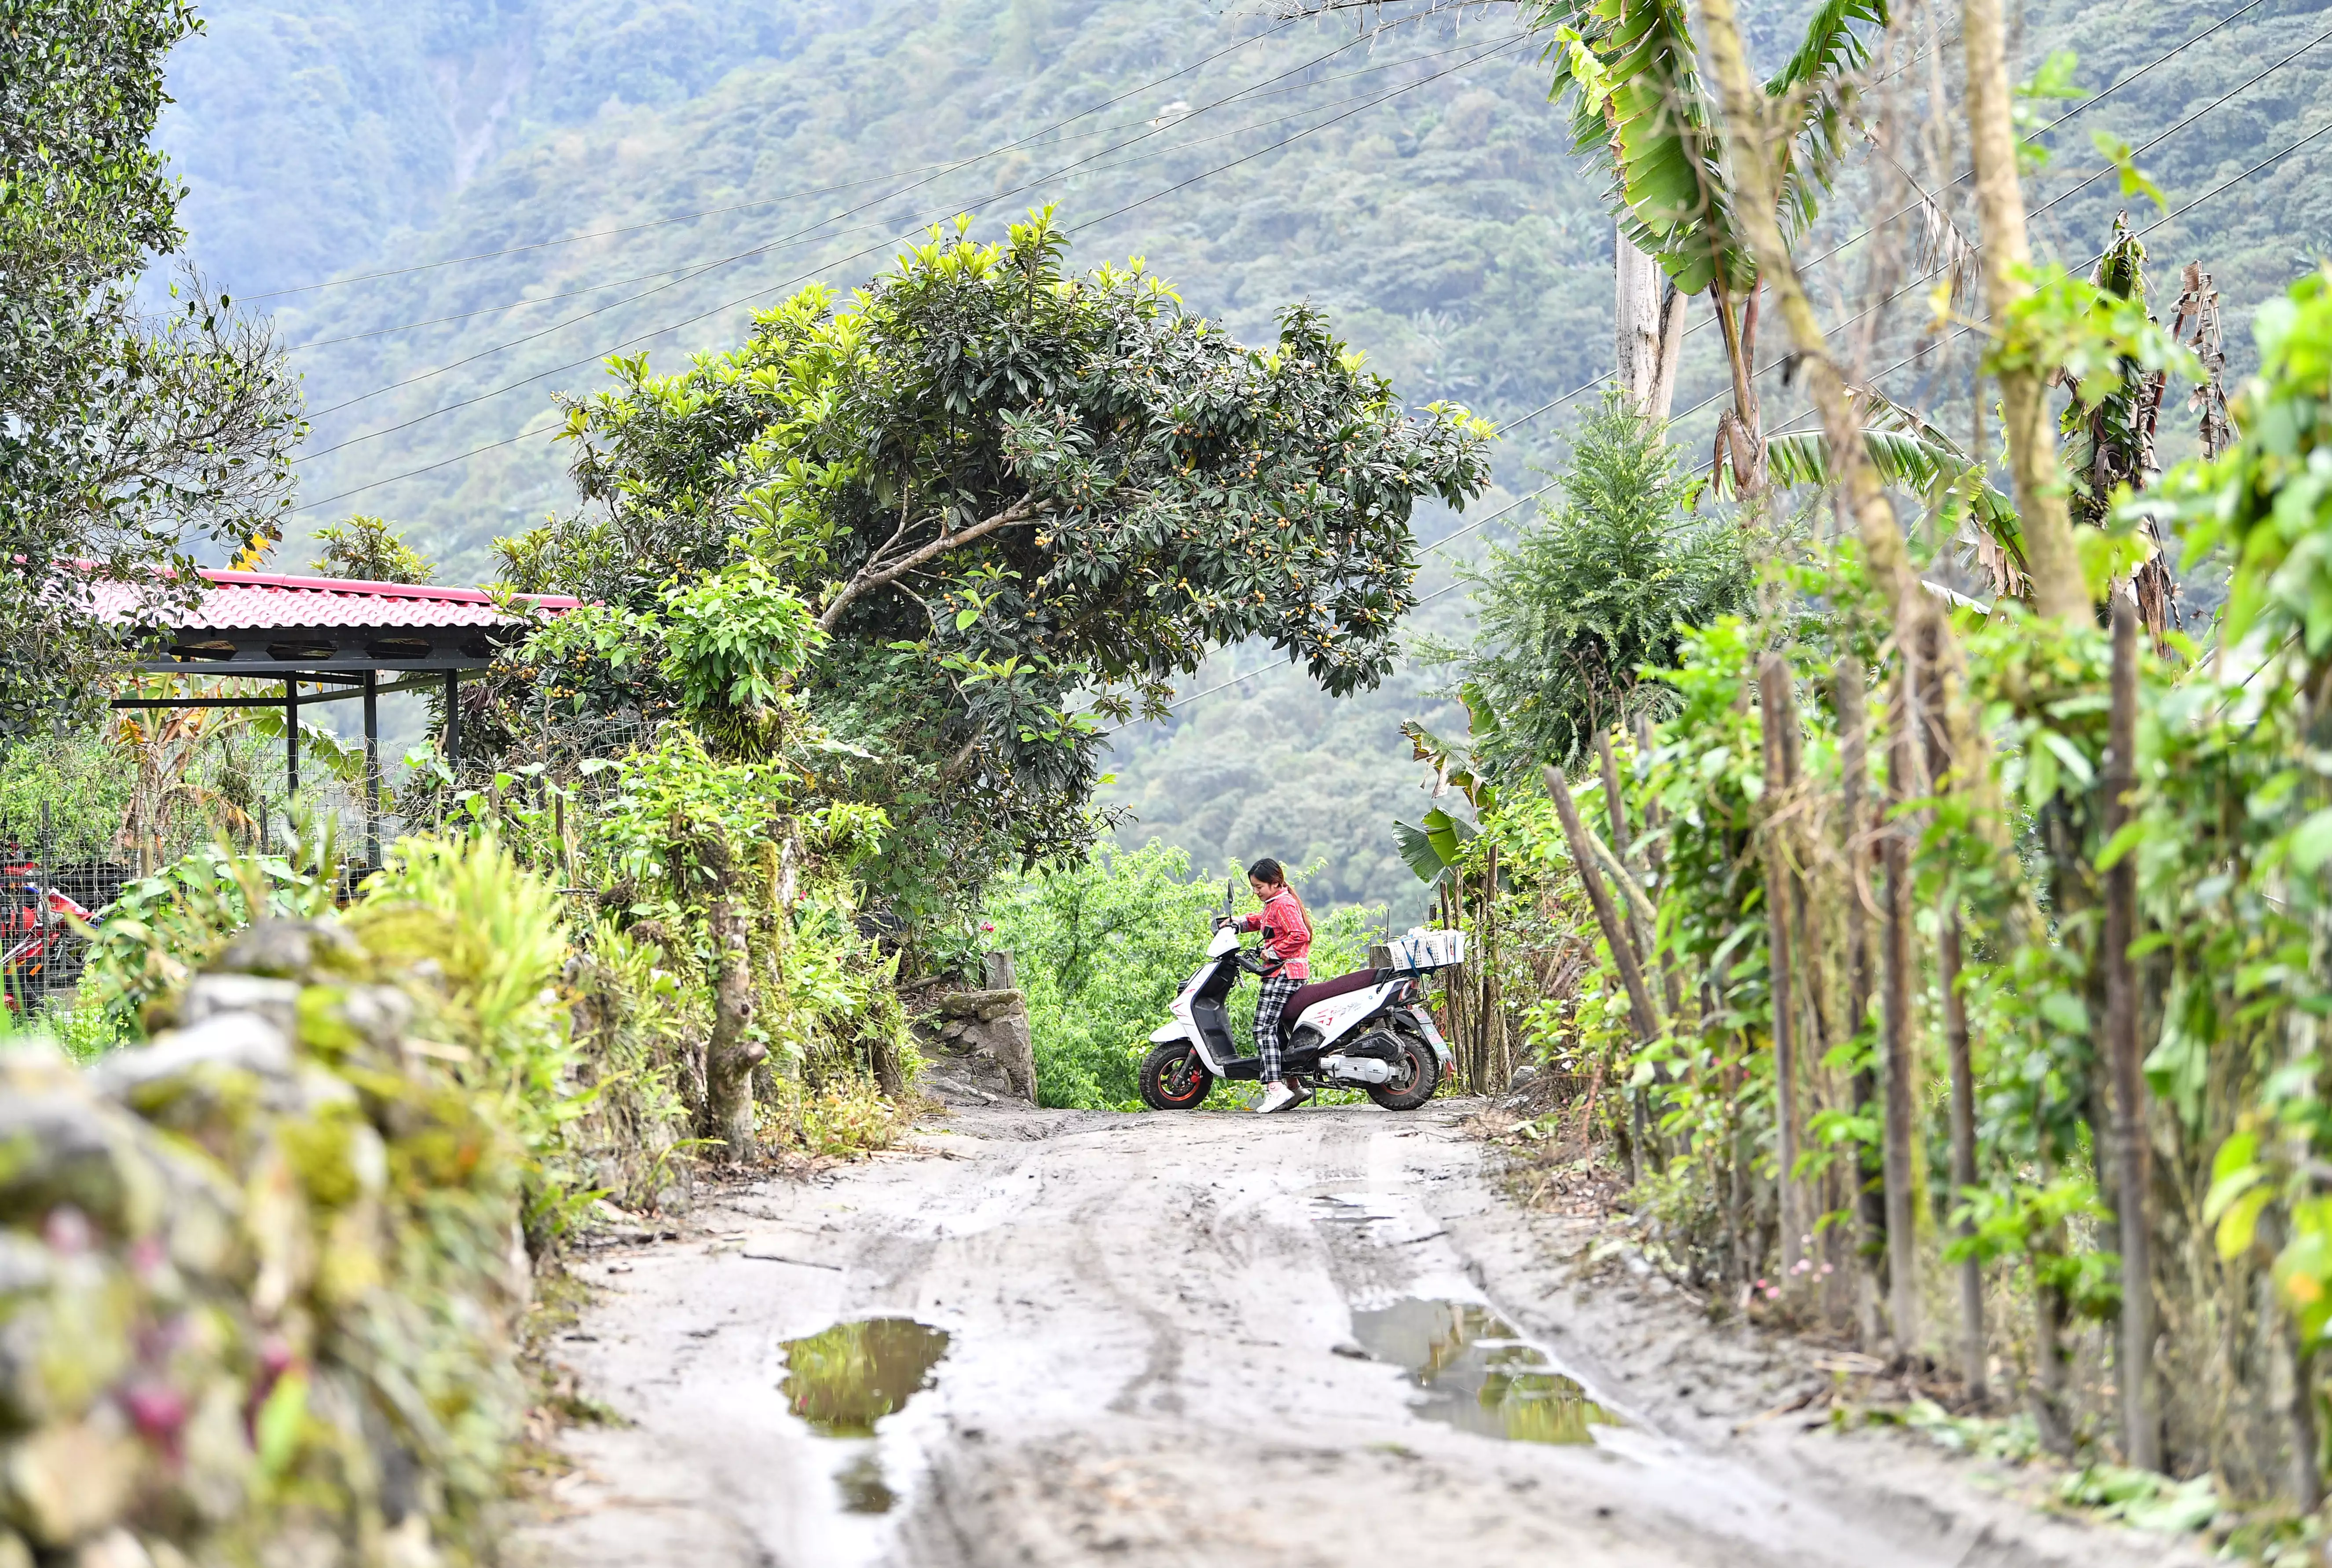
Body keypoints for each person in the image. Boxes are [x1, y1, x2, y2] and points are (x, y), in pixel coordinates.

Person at [1231, 857, 1312, 1114]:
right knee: (1276, 1029)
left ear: (1276, 883)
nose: (1256, 893)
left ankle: (1276, 1089)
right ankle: (1293, 1085)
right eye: (1254, 887)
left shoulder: (1285, 904)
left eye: (1259, 887)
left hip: (1285, 972)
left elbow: (1300, 935)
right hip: (1283, 972)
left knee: (1262, 1028)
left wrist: (1274, 952)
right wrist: (1236, 923)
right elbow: (1265, 921)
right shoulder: (1274, 903)